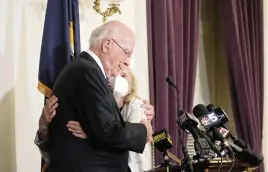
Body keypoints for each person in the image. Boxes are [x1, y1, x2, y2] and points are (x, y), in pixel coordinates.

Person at [45, 21, 153, 172]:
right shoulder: (88, 72)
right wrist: (144, 131)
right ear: (106, 45)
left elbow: (97, 128)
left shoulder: (84, 69)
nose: (127, 61)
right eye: (126, 53)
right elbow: (106, 129)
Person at [36, 68, 154, 172]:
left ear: (131, 86)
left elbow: (127, 139)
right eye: (113, 75)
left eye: (123, 75)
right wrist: (43, 127)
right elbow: (61, 153)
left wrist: (92, 133)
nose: (116, 77)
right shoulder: (93, 109)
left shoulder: (137, 106)